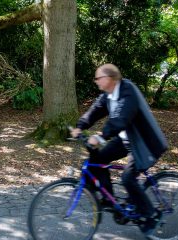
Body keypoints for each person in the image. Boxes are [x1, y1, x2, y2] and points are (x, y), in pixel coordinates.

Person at [70, 63, 168, 236]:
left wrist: (100, 137)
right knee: (97, 159)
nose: (95, 81)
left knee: (128, 178)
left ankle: (151, 215)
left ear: (110, 78)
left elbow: (120, 119)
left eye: (98, 78)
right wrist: (80, 126)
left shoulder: (127, 91)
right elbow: (94, 111)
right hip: (127, 140)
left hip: (145, 143)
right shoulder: (107, 95)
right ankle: (108, 199)